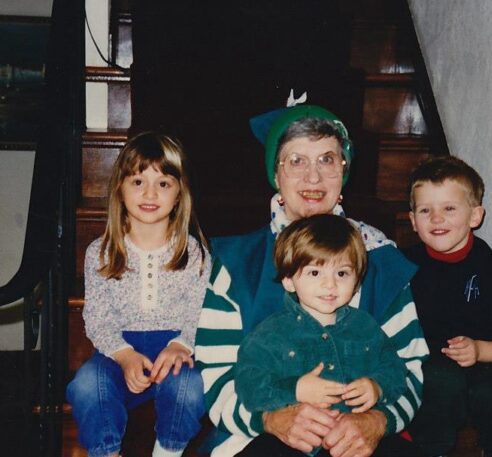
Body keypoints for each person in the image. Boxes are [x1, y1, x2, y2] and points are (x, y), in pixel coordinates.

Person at [194, 104, 428, 457]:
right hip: (260, 435)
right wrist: (271, 419)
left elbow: (408, 369)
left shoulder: (381, 260)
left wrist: (378, 420)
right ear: (276, 174)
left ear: (344, 170)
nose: (313, 178)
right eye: (296, 161)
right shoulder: (236, 263)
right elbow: (215, 375)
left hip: (358, 436)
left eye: (327, 160)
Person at [67, 132, 212, 457]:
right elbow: (97, 317)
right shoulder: (101, 252)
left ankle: (167, 451)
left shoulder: (194, 254)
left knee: (191, 387)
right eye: (137, 182)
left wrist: (181, 345)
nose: (150, 193)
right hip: (118, 352)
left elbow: (199, 311)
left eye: (163, 183)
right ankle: (107, 451)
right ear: (120, 188)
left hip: (174, 352)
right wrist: (124, 355)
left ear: (179, 193)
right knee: (87, 385)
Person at [235, 214, 409, 456]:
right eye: (315, 273)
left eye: (342, 273)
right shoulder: (270, 334)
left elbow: (395, 369)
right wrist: (294, 389)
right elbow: (248, 384)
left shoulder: (365, 327)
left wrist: (377, 387)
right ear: (288, 280)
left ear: (357, 280)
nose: (330, 285)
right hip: (295, 442)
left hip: (354, 441)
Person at [402, 156, 492, 457]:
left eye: (449, 208)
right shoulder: (403, 266)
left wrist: (480, 350)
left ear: (475, 216)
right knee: (439, 381)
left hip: (487, 364)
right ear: (413, 221)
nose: (436, 218)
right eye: (425, 210)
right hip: (432, 371)